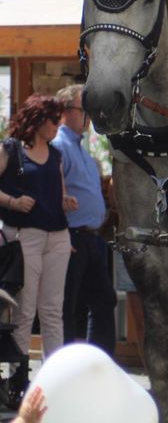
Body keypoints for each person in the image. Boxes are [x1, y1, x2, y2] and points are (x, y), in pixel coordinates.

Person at [0, 94, 77, 360]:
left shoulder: (56, 154)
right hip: (24, 237)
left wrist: (65, 200)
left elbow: (59, 191)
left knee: (53, 310)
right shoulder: (10, 149)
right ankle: (18, 379)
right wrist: (12, 202)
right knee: (24, 310)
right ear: (38, 119)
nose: (58, 125)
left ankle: (52, 380)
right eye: (54, 119)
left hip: (58, 236)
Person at [51, 85, 117, 357]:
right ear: (65, 112)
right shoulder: (58, 147)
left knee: (103, 302)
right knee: (67, 307)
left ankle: (99, 366)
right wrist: (61, 235)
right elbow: (52, 194)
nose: (88, 117)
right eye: (83, 110)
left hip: (94, 238)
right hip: (72, 238)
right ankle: (66, 369)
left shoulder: (84, 152)